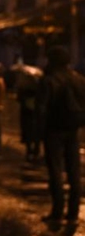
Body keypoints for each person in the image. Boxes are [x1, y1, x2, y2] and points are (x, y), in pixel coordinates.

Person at [38, 46, 82, 224]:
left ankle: (57, 211)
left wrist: (37, 133)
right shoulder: (79, 79)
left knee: (56, 171)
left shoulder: (49, 80)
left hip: (54, 130)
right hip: (73, 129)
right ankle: (73, 212)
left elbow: (41, 109)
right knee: (74, 172)